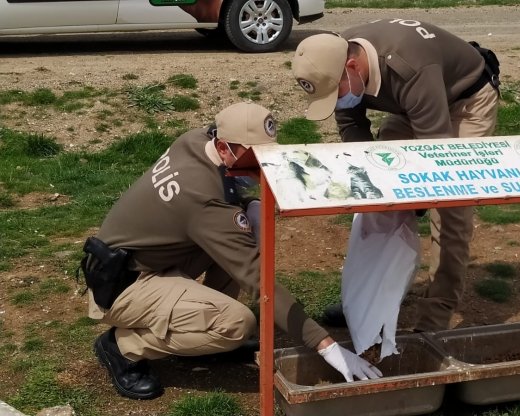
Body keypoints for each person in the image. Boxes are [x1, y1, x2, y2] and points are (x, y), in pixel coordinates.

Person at [80, 102, 381, 400]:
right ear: (224, 148)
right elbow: (256, 278)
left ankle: (203, 340)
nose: (262, 165)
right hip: (122, 286)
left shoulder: (195, 141)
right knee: (236, 324)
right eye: (253, 157)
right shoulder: (202, 199)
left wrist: (248, 204)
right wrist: (325, 344)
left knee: (237, 232)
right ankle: (122, 347)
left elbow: (223, 203)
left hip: (143, 259)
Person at [292, 19, 500, 333]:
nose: (336, 102)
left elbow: (436, 155)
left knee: (450, 209)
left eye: (335, 94)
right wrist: (380, 190)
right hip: (412, 105)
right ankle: (368, 300)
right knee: (375, 206)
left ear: (353, 66)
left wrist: (413, 198)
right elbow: (352, 128)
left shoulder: (408, 65)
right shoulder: (336, 62)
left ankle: (435, 317)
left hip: (465, 102)